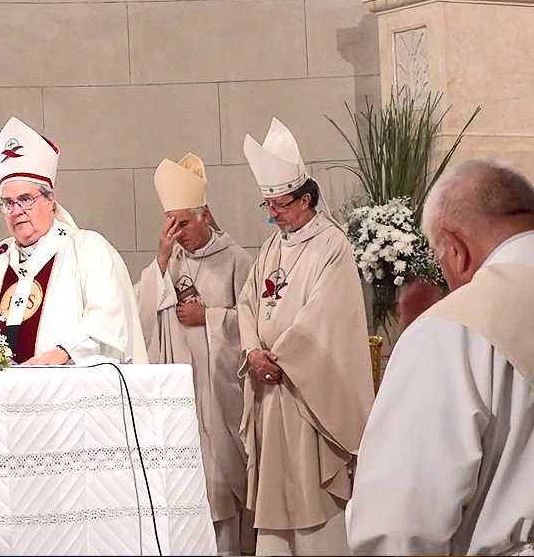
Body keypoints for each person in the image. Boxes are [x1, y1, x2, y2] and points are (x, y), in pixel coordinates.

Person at [347, 159, 534, 556]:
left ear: (456, 248)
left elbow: (400, 521)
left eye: (439, 258)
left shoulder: (454, 328)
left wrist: (424, 332)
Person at [236, 117, 374, 555]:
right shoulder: (272, 246)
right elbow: (248, 303)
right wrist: (253, 351)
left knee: (311, 492)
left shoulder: (332, 245)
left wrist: (281, 358)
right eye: (268, 205)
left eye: (279, 204)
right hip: (269, 390)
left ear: (305, 198)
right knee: (276, 502)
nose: (273, 214)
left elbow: (327, 316)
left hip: (305, 394)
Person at [0, 116, 147, 365]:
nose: (16, 210)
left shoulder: (86, 250)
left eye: (26, 199)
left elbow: (109, 319)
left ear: (50, 199)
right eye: (8, 203)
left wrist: (62, 353)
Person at [133, 153, 254, 555]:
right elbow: (140, 315)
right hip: (183, 395)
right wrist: (162, 259)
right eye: (170, 224)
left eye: (183, 223)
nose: (177, 232)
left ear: (206, 215)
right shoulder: (171, 261)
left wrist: (210, 317)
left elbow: (256, 324)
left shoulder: (236, 259)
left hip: (220, 393)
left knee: (222, 485)